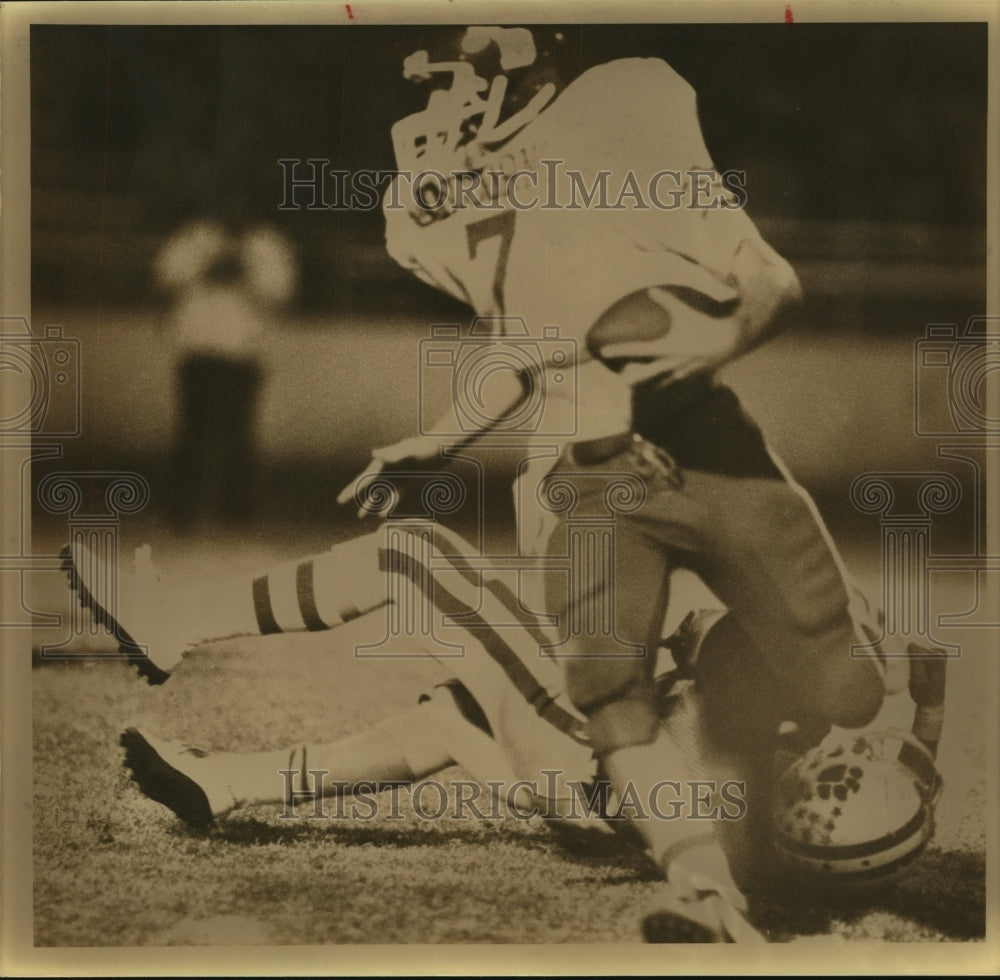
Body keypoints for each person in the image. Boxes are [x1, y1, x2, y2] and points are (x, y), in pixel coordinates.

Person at [332, 27, 897, 936]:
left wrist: (726, 333)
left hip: (693, 438)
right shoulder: (472, 202)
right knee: (605, 690)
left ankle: (755, 706)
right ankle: (704, 886)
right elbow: (531, 348)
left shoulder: (622, 104)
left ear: (524, 64)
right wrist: (437, 438)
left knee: (848, 689)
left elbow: (769, 277)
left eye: (458, 78)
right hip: (583, 466)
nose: (440, 106)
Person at [155, 220, 296, 527]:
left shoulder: (266, 245)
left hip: (242, 353)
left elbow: (280, 293)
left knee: (239, 433)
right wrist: (205, 266)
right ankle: (184, 511)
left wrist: (244, 271)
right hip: (198, 349)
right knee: (193, 432)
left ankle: (237, 512)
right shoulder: (192, 237)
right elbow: (165, 280)